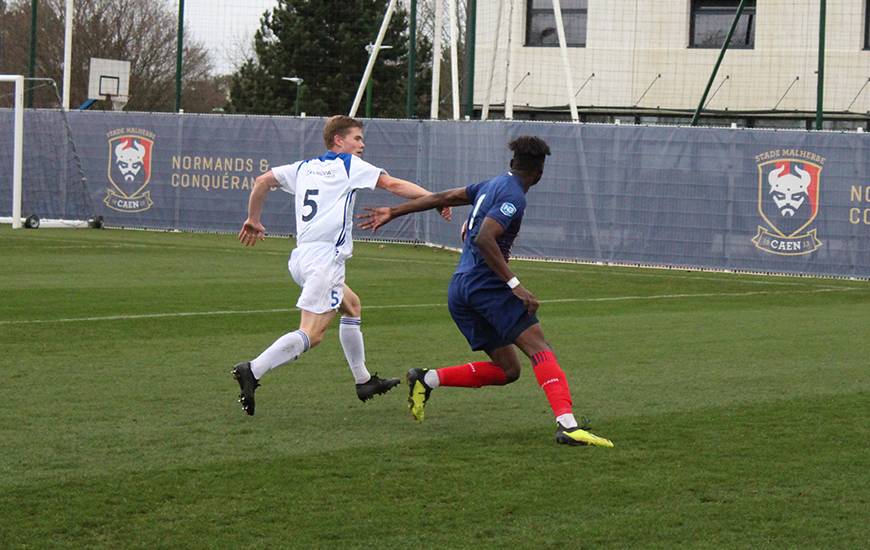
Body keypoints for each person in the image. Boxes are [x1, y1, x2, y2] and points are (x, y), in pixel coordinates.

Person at [358, 136, 613, 447]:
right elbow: (484, 238)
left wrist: (394, 212)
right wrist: (515, 286)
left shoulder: (489, 186)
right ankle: (568, 425)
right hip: (486, 285)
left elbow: (442, 196)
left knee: (509, 370)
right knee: (539, 348)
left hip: (460, 289)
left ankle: (427, 378)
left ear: (511, 163)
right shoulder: (514, 196)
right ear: (540, 172)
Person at [232, 115, 451, 416]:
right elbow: (392, 184)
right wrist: (435, 198)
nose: (362, 145)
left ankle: (364, 381)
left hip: (301, 258)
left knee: (352, 305)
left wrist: (253, 218)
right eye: (357, 138)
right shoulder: (348, 165)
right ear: (339, 141)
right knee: (312, 334)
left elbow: (261, 182)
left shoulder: (303, 167)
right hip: (324, 262)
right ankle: (253, 369)